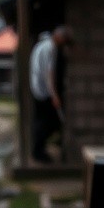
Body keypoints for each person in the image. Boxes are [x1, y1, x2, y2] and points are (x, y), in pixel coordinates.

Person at [29, 25, 73, 164]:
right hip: (43, 91)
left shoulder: (42, 45)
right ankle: (38, 151)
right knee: (46, 122)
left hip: (38, 89)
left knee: (43, 122)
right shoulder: (50, 48)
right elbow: (50, 73)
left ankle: (40, 149)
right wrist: (54, 95)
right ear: (59, 37)